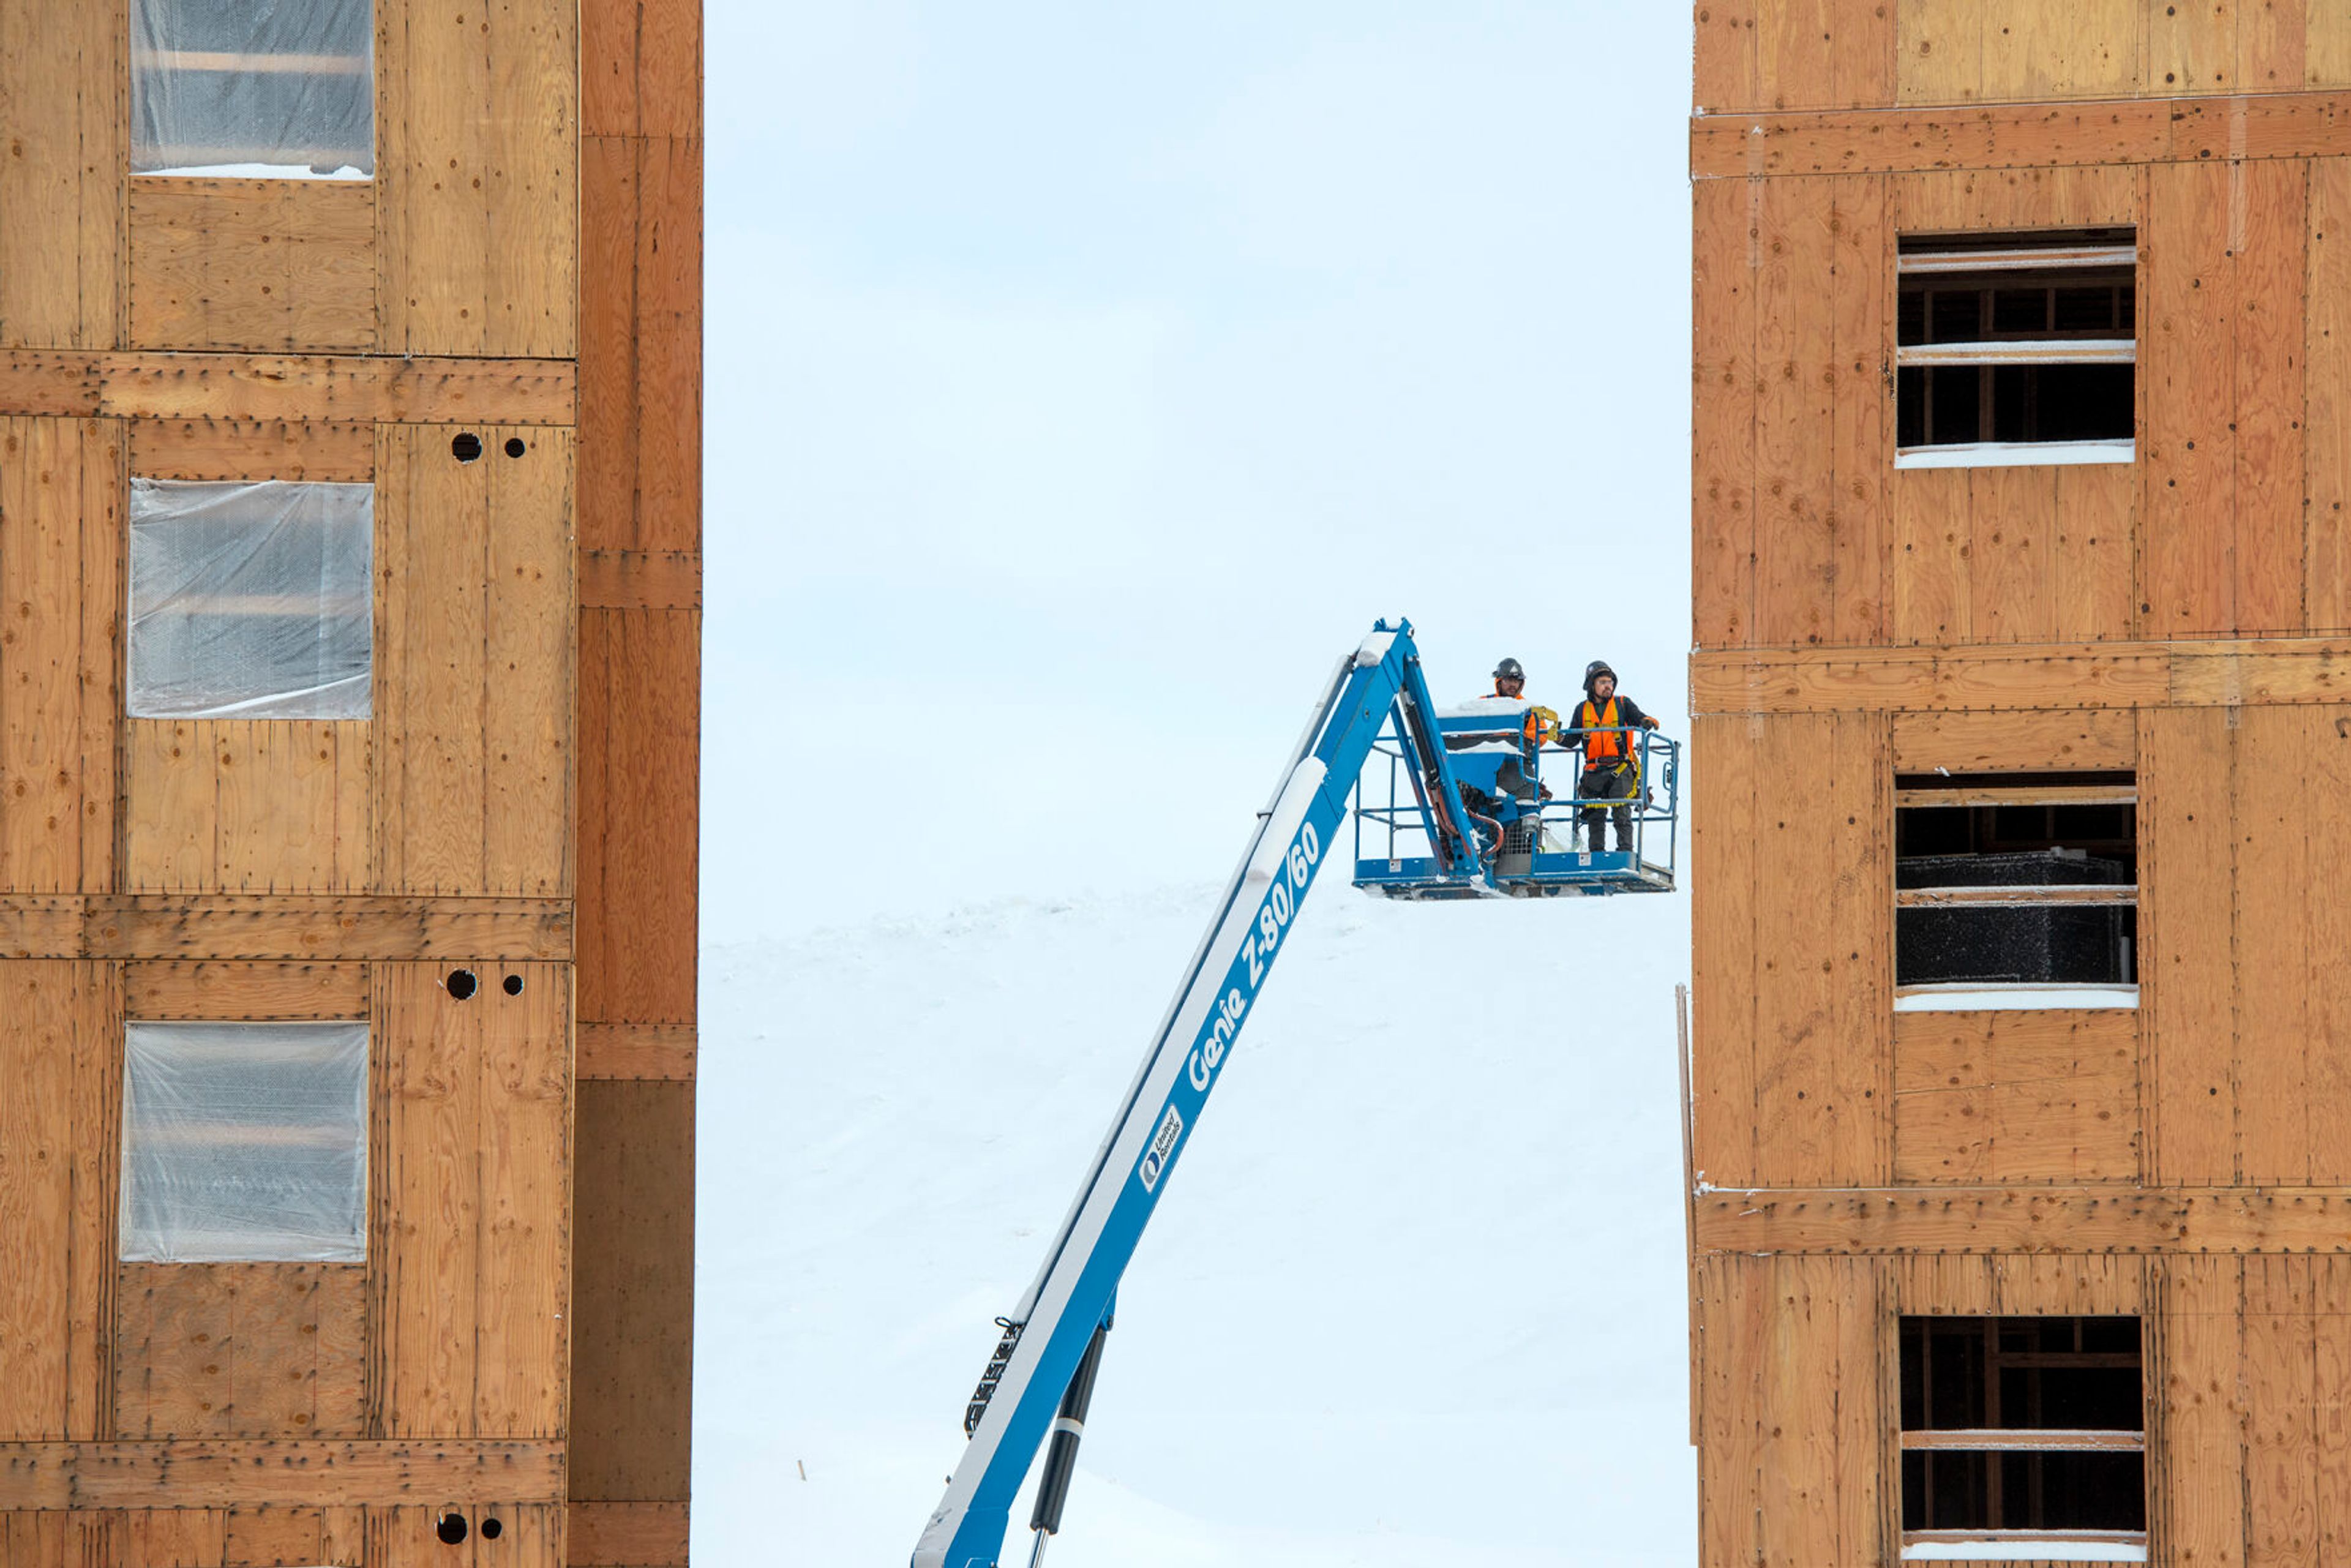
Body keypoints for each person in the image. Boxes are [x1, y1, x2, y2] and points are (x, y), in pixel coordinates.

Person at [1565, 659, 1660, 853]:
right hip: (1593, 770)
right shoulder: (1582, 710)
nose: (1608, 686)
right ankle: (1596, 854)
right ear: (1592, 686)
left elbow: (1639, 718)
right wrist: (1555, 736)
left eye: (1610, 682)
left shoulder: (1623, 704)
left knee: (1622, 813)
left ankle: (1625, 853)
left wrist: (1647, 722)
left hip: (1620, 768)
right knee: (1595, 816)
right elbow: (1571, 739)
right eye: (1602, 682)